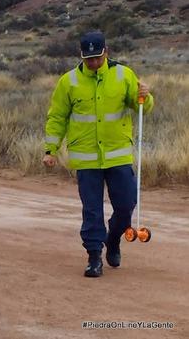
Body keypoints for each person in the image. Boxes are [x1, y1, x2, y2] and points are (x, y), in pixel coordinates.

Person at [43, 31, 154, 277]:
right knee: (92, 210)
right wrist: (51, 149)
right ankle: (94, 256)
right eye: (88, 58)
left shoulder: (124, 75)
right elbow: (57, 117)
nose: (93, 63)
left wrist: (145, 96)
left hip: (118, 155)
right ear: (81, 56)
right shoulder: (68, 81)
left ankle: (113, 239)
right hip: (86, 157)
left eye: (97, 57)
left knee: (126, 205)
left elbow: (141, 108)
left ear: (107, 52)